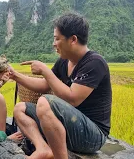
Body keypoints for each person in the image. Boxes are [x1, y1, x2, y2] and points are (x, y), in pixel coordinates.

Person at [10, 13, 112, 159]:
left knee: (45, 102)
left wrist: (45, 71)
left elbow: (73, 99)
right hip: (68, 126)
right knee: (20, 108)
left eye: (57, 39)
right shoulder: (64, 61)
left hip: (92, 135)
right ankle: (43, 149)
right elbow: (45, 85)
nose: (54, 43)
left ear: (73, 39)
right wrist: (15, 76)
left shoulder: (94, 63)